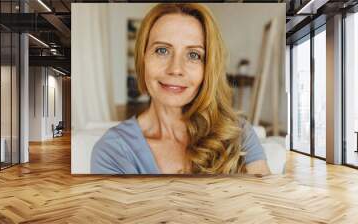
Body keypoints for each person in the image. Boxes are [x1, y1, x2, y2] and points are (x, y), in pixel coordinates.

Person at [91, 3, 270, 175]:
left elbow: (265, 202)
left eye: (193, 55)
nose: (176, 69)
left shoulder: (237, 132)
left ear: (207, 68)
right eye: (162, 50)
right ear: (142, 58)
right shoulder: (111, 150)